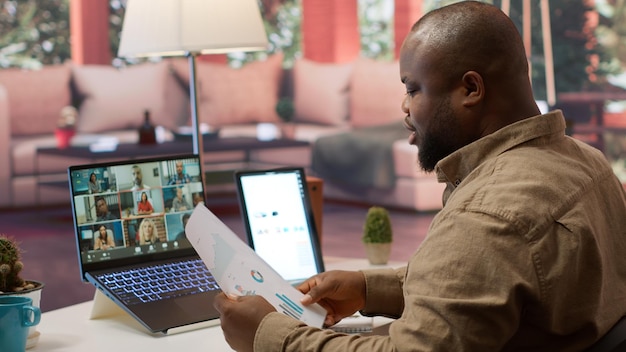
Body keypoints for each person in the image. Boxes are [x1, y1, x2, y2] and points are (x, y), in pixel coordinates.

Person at [213, 2, 626, 351]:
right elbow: (488, 280)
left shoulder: (489, 215)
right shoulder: (588, 162)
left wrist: (269, 335)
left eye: (413, 89)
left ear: (470, 89)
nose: (404, 108)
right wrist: (368, 288)